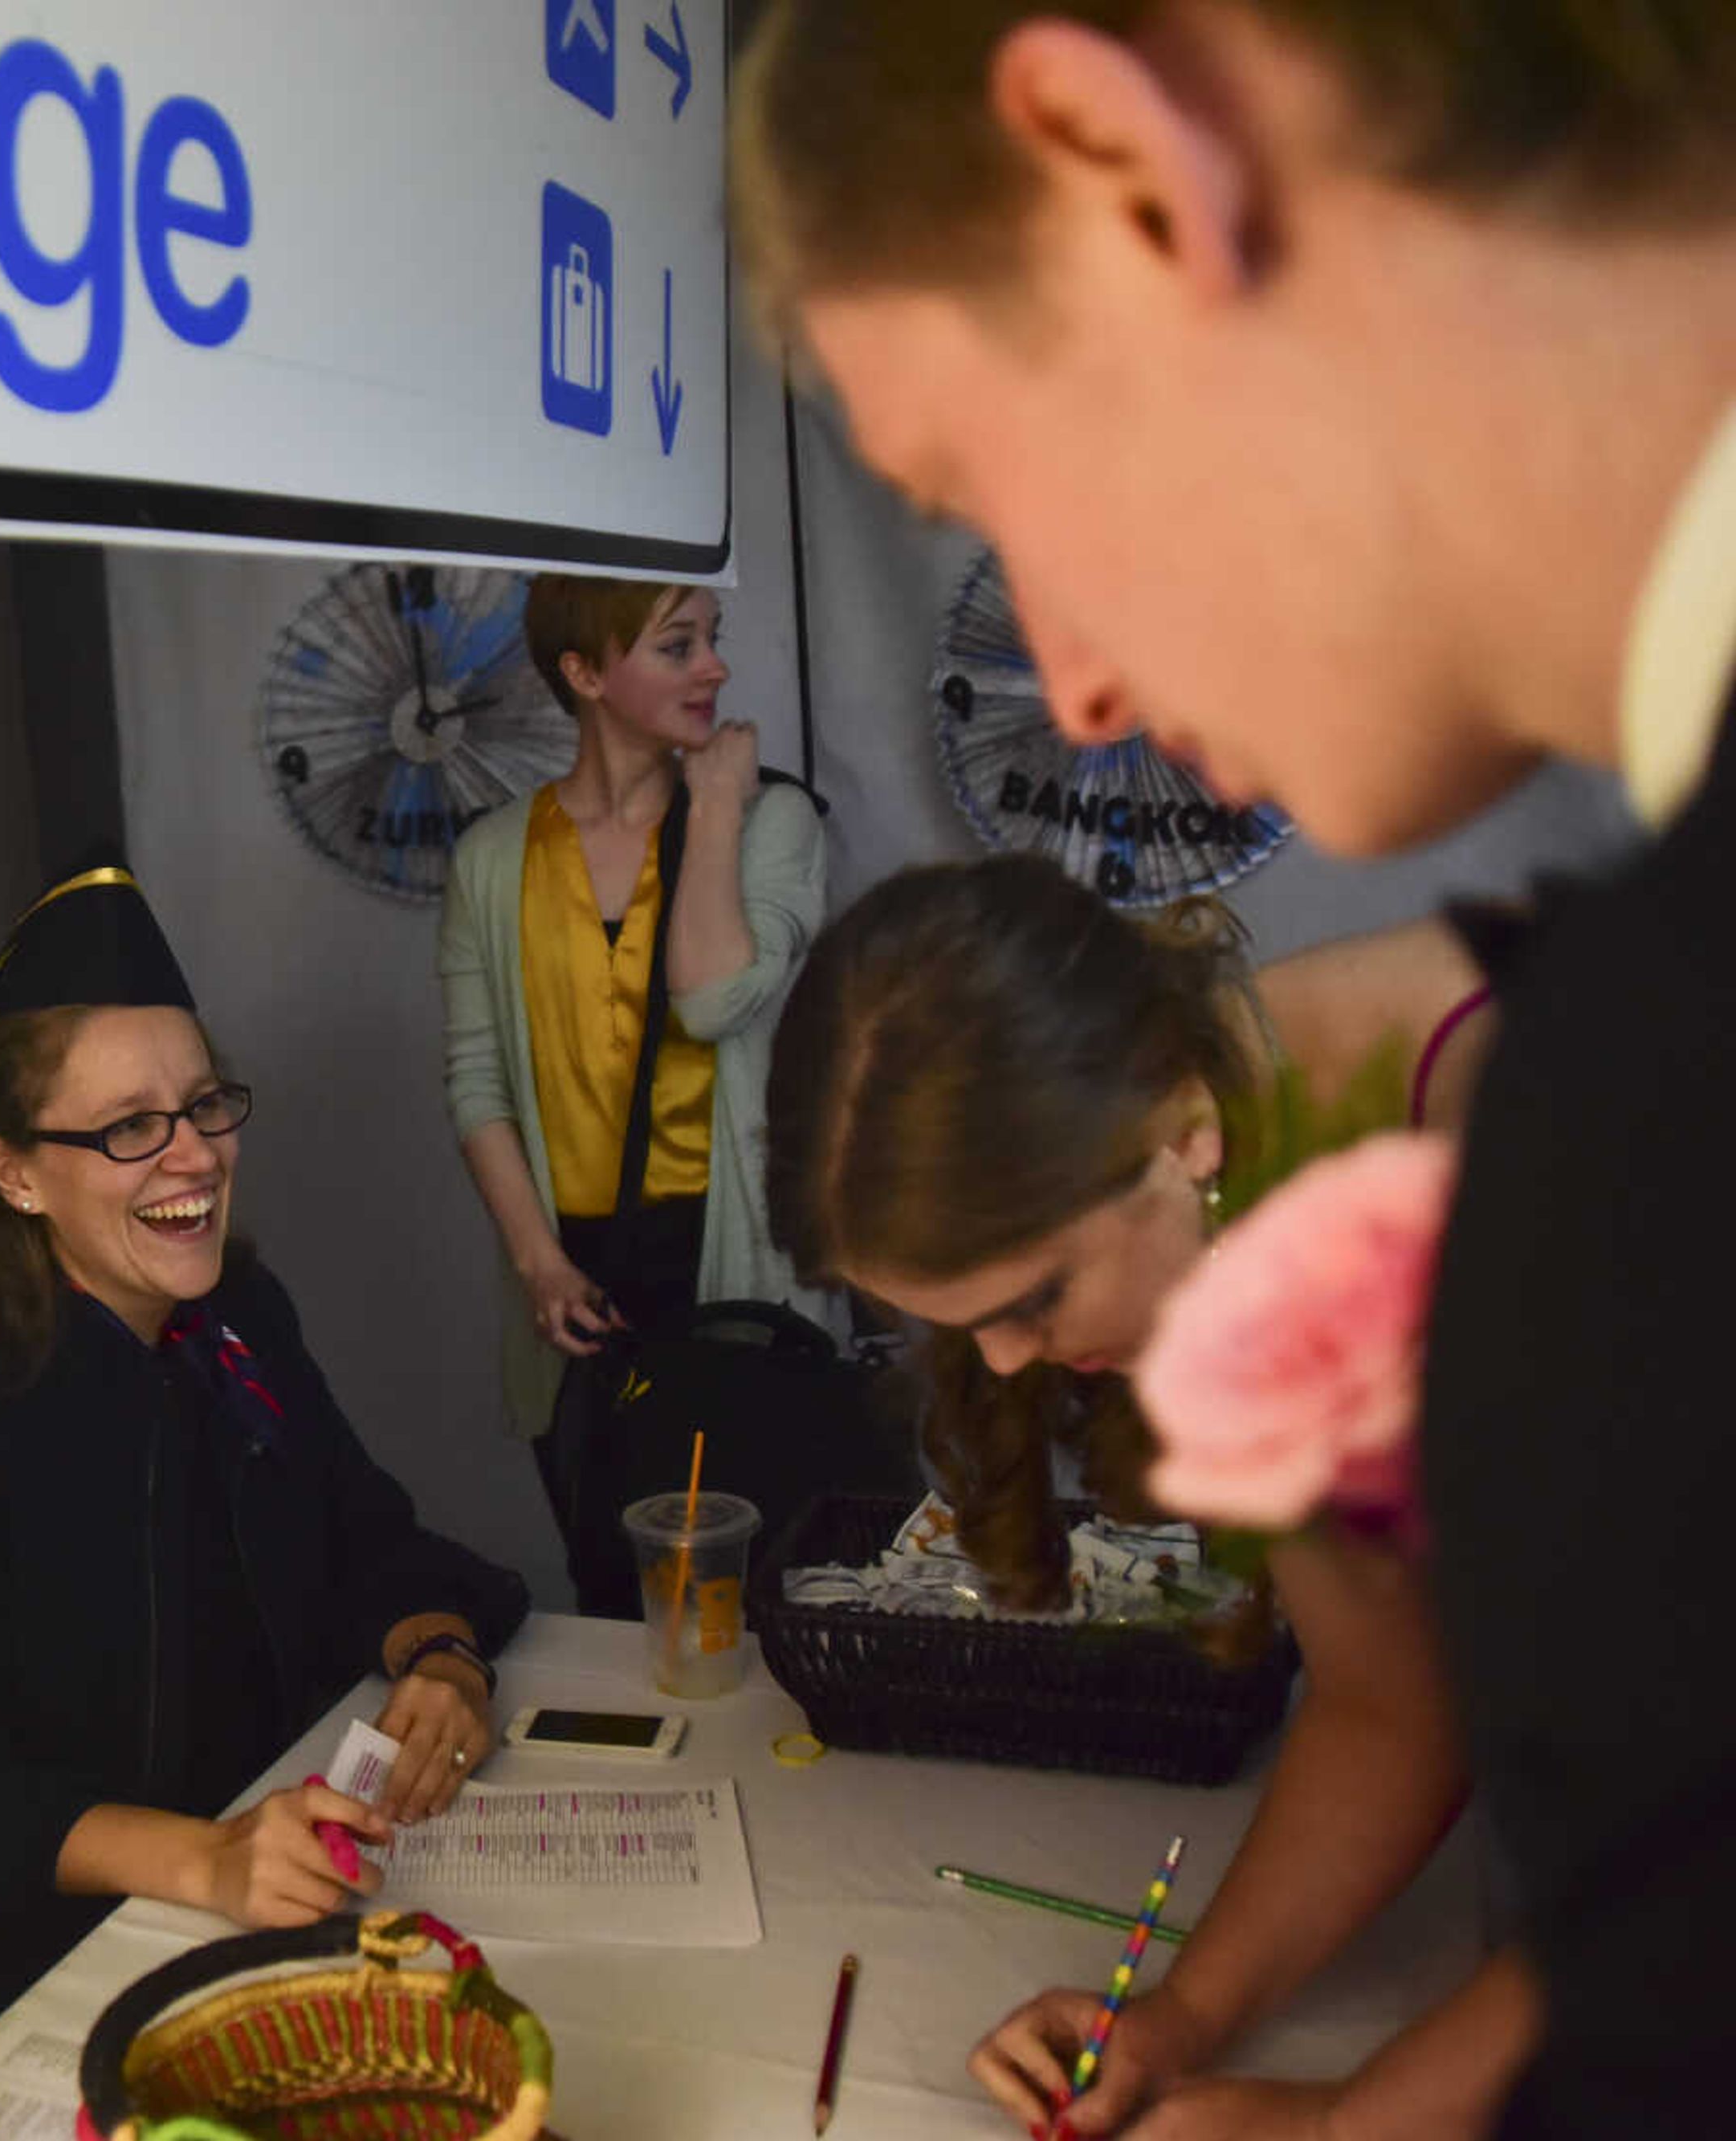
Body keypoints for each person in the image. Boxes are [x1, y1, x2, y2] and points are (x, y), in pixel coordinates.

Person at [734, 4, 1735, 2131]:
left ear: (1115, 164)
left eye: (982, 483)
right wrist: (1196, 2029)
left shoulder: (1616, 1099)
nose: (1077, 679)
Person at [767, 854, 1505, 2136]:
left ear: (1181, 1138)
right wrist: (1181, 2018)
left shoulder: (1557, 1129)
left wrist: (1343, 2120)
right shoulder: (1219, 1169)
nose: (1004, 1364)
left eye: (1033, 1300)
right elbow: (1392, 1700)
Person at [0, 858, 532, 2073]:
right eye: (131, 1126)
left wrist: (443, 1657)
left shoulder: (237, 1315)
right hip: (16, 1967)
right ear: (15, 1173)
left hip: (250, 1895)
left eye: (203, 1105)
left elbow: (365, 1534)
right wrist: (207, 1857)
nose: (192, 1155)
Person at [439, 575, 835, 1604]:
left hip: (733, 1268)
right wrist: (537, 1265)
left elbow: (712, 999)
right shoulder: (492, 858)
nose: (716, 666)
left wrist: (711, 806)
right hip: (577, 1292)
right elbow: (477, 1079)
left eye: (713, 637)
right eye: (677, 644)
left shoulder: (771, 819)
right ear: (583, 673)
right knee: (615, 1599)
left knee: (761, 1601)